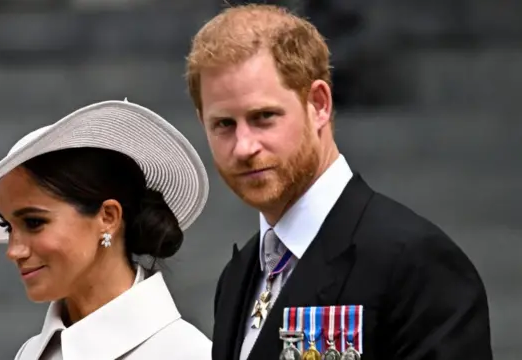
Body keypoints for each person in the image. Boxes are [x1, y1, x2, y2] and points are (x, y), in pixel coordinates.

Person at [185, 4, 492, 360]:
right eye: (224, 124)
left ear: (318, 104)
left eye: (264, 117)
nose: (244, 146)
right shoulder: (238, 276)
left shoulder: (417, 263)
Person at [0, 100, 212, 360]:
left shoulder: (188, 353)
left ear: (108, 217)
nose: (13, 250)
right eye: (7, 227)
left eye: (34, 222)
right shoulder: (30, 354)